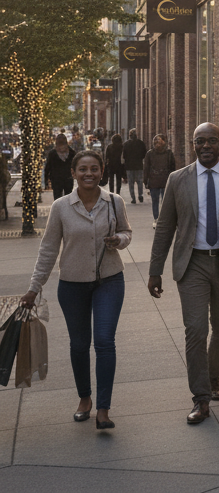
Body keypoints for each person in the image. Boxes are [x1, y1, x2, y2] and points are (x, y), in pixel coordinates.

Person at [148, 122, 219, 425]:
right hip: (192, 263)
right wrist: (155, 270)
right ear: (193, 145)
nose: (206, 146)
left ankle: (212, 376)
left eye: (212, 141)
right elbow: (165, 228)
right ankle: (200, 397)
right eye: (201, 142)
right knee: (196, 330)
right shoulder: (177, 179)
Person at [19, 150, 132, 429]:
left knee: (105, 342)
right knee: (80, 345)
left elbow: (127, 232)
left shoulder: (114, 202)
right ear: (74, 173)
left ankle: (104, 408)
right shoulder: (61, 207)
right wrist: (34, 288)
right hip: (72, 285)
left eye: (94, 168)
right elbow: (48, 250)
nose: (89, 173)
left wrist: (119, 239)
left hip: (109, 280)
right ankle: (85, 399)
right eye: (83, 169)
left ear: (102, 171)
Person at [143, 134, 178, 226]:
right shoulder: (168, 153)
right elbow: (172, 167)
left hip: (157, 180)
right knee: (163, 201)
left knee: (159, 201)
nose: (158, 144)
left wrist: (145, 181)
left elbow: (146, 168)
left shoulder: (150, 153)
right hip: (163, 180)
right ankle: (161, 219)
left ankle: (157, 219)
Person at [43, 134, 76, 200]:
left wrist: (46, 181)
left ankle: (64, 210)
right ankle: (60, 210)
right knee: (60, 198)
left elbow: (47, 168)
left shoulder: (71, 153)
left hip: (65, 179)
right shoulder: (53, 153)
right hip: (58, 180)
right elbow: (47, 168)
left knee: (65, 198)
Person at [123, 129, 147, 204]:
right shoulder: (141, 143)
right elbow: (144, 154)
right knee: (139, 181)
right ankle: (140, 195)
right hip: (139, 165)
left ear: (129, 135)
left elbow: (124, 156)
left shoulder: (126, 144)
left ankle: (133, 197)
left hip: (129, 166)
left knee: (131, 183)